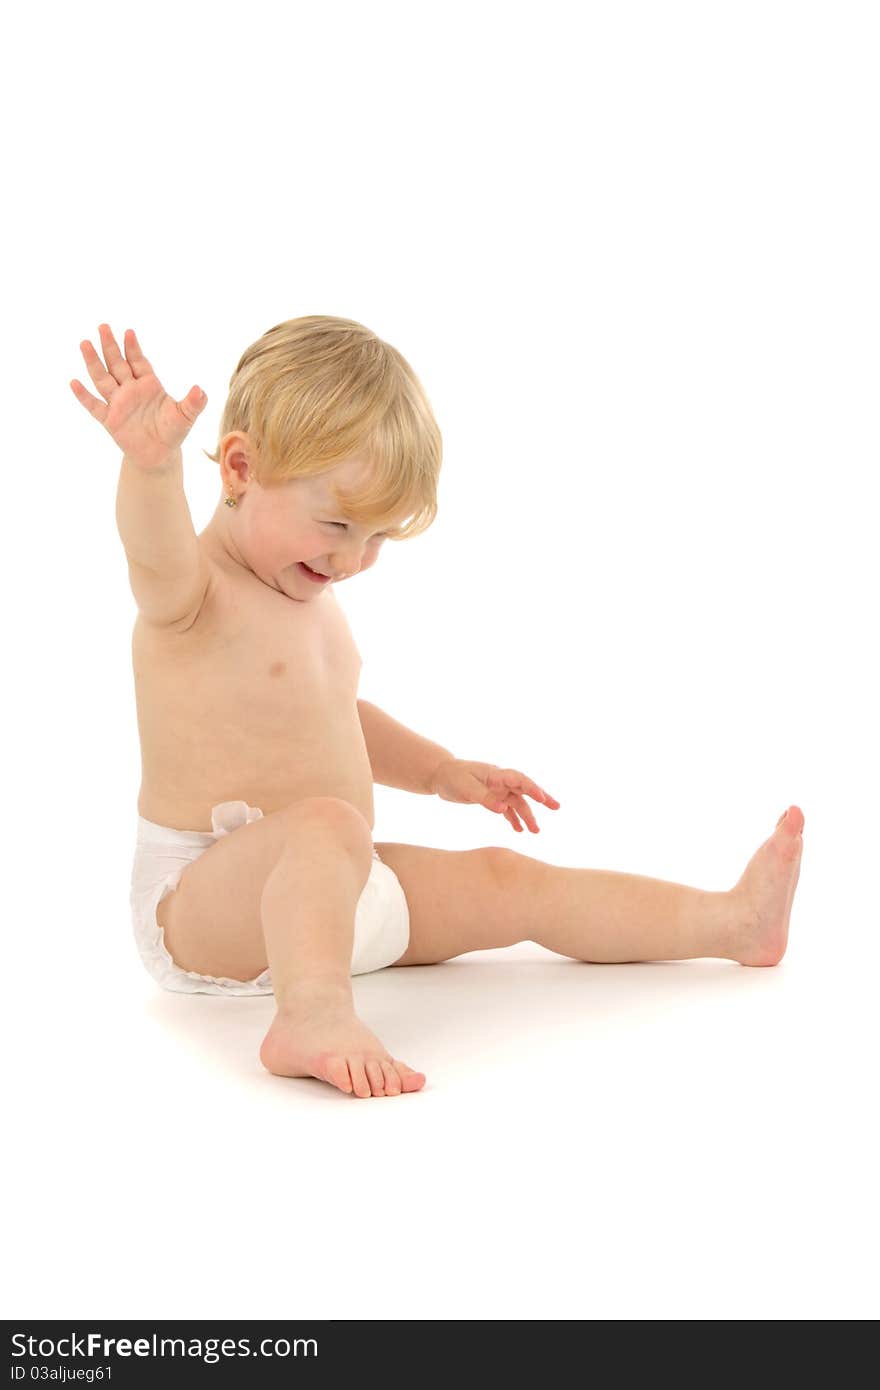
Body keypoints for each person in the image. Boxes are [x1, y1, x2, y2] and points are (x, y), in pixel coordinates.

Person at [70, 317, 804, 1100]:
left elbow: (337, 716)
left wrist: (441, 771)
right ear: (242, 468)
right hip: (203, 908)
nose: (352, 560)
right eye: (338, 525)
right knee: (328, 826)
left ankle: (729, 924)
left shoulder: (307, 596)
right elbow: (153, 557)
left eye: (378, 538)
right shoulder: (192, 596)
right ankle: (311, 1015)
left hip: (335, 896)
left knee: (509, 881)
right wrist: (151, 471)